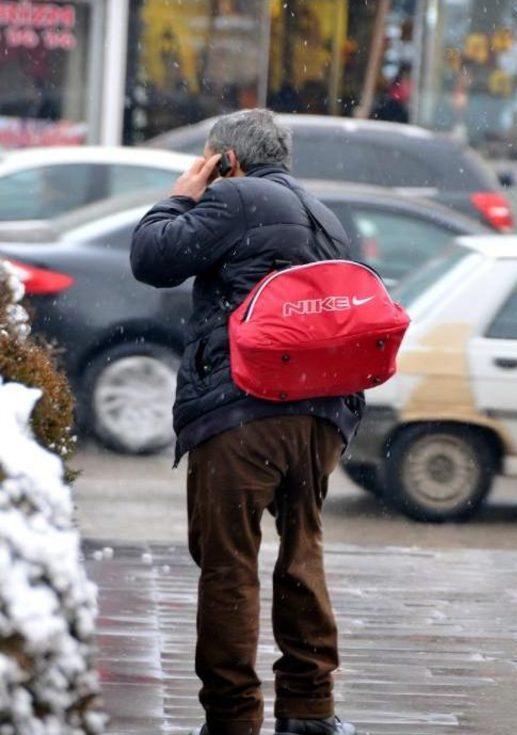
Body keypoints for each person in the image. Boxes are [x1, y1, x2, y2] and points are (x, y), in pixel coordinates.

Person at [130, 109, 361, 735]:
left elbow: (152, 258)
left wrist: (181, 194)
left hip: (244, 411)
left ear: (226, 160)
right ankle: (311, 710)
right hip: (319, 416)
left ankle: (232, 719)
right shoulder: (323, 214)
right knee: (302, 553)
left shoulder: (233, 197)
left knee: (230, 563)